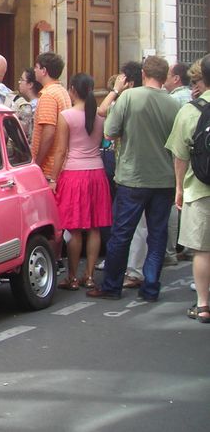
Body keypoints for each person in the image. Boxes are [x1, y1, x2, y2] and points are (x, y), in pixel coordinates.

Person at [88, 56, 180, 302]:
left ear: (143, 73)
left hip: (133, 177)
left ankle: (111, 285)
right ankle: (150, 288)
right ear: (163, 77)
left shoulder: (130, 97)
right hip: (164, 179)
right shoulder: (174, 104)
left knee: (122, 234)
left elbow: (110, 131)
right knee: (157, 235)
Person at [50, 73, 113, 290]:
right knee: (94, 227)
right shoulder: (99, 116)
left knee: (75, 228)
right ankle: (90, 276)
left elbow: (60, 151)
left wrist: (53, 178)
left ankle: (72, 277)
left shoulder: (66, 116)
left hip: (73, 174)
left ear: (73, 90)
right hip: (97, 172)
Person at [166, 53, 210, 323]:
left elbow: (180, 154)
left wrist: (179, 188)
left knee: (203, 251)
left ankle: (204, 305)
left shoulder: (191, 110)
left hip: (200, 189)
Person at [31, 52, 72, 181]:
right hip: (60, 164)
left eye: (36, 67)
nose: (34, 70)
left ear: (44, 71)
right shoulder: (62, 91)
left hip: (48, 167)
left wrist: (37, 163)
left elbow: (49, 132)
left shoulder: (48, 95)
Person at [14, 68, 41, 141]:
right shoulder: (40, 102)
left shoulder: (30, 107)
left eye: (22, 80)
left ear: (30, 84)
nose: (19, 82)